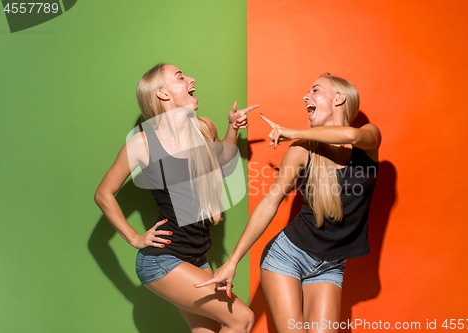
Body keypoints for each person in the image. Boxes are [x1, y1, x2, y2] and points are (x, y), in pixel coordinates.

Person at [196, 74, 381, 333]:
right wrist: (233, 261)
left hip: (331, 265)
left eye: (315, 90)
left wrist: (291, 131)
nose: (306, 97)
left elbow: (350, 134)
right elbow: (270, 202)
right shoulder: (301, 151)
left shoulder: (368, 138)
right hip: (287, 257)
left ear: (340, 99)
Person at [94, 63, 258, 333]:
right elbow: (103, 194)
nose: (192, 78)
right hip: (163, 259)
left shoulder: (204, 127)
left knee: (207, 330)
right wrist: (134, 238)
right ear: (162, 94)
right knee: (243, 318)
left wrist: (232, 128)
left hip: (198, 258)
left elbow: (223, 162)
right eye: (181, 77)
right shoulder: (143, 144)